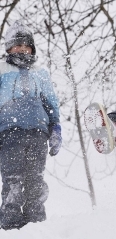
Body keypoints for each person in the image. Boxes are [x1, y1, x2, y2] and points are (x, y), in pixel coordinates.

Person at [0, 20, 62, 230]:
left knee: (35, 181)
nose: (22, 49)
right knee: (13, 181)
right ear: (9, 48)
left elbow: (51, 104)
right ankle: (10, 226)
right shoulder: (2, 70)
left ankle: (36, 226)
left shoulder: (40, 73)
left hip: (37, 134)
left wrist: (56, 129)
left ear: (32, 48)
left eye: (26, 45)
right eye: (17, 45)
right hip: (9, 134)